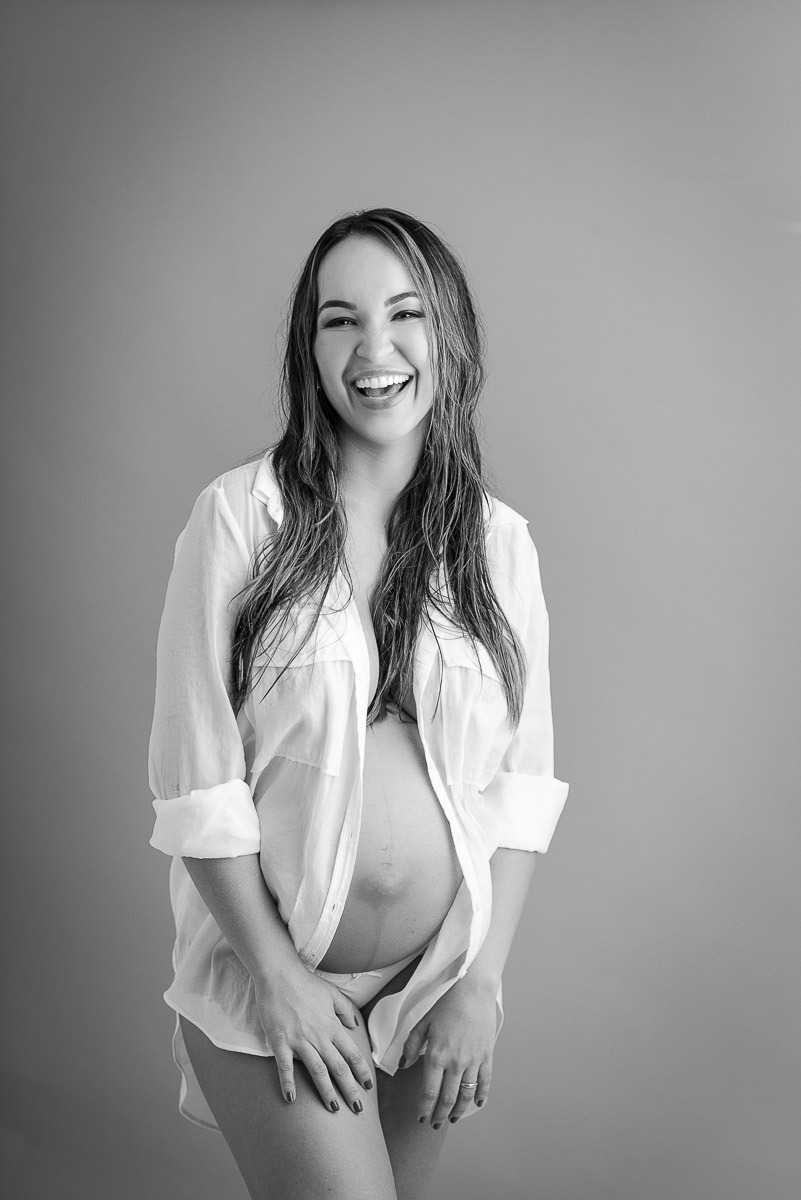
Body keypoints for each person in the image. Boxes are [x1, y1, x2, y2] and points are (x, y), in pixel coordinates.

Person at [148, 207, 569, 1200]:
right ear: (311, 346)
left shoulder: (499, 546)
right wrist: (279, 981)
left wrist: (482, 985)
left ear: (447, 334)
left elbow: (520, 790)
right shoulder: (240, 522)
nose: (374, 349)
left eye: (404, 313)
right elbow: (199, 788)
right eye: (341, 320)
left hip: (433, 995)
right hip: (272, 988)